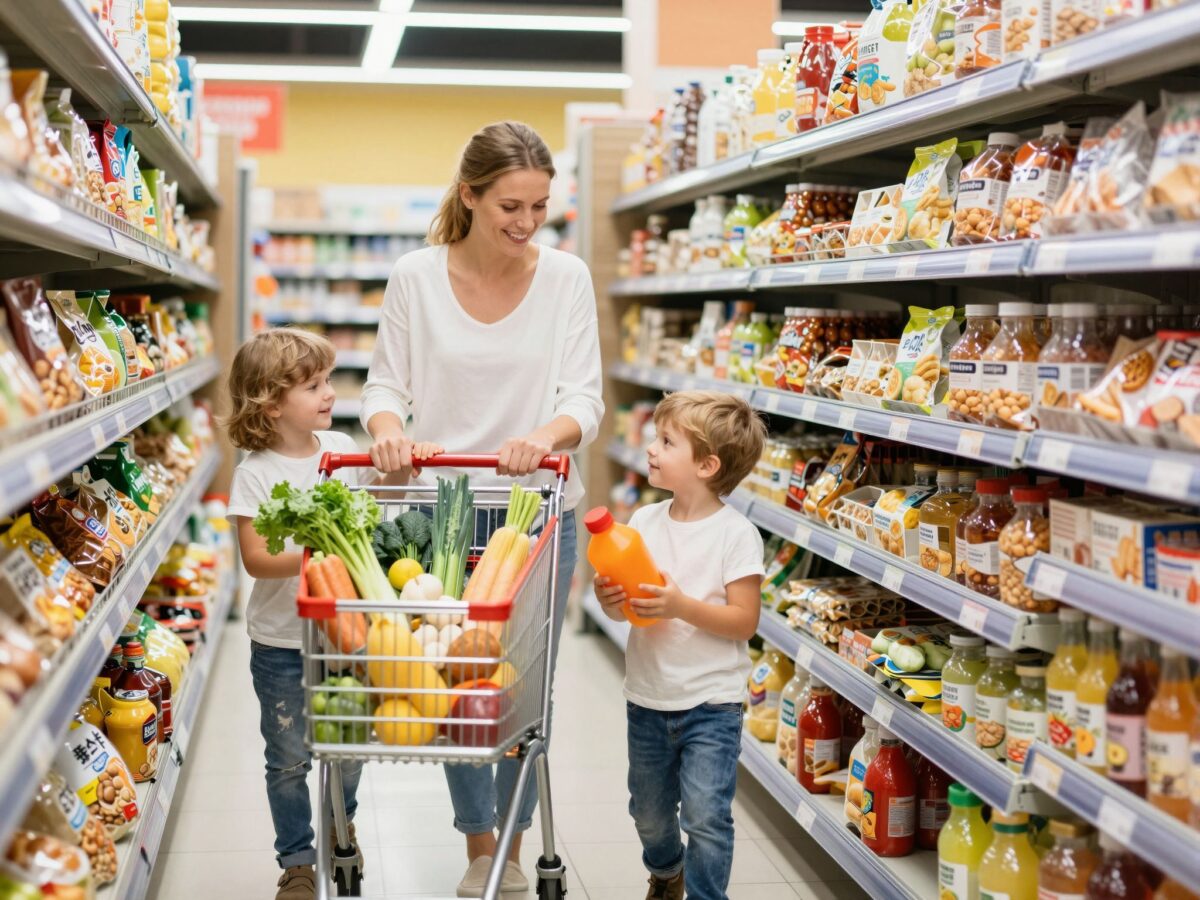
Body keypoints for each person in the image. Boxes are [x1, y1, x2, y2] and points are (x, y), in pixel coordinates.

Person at [360, 121, 604, 896]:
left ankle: (515, 846)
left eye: (539, 206)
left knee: (522, 689)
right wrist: (389, 431)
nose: (526, 223)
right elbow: (383, 385)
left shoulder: (566, 277)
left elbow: (584, 397)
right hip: (443, 515)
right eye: (509, 206)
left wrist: (544, 435)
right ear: (468, 195)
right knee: (449, 682)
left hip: (536, 513)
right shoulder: (415, 275)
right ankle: (479, 847)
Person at [225, 328, 438, 900]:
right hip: (281, 643)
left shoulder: (339, 449)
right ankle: (296, 859)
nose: (329, 394)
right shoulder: (256, 472)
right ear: (270, 403)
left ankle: (343, 827)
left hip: (347, 635)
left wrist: (399, 467)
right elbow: (257, 559)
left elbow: (383, 500)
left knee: (347, 745)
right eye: (313, 385)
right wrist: (328, 548)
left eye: (327, 381)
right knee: (289, 755)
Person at [594, 391, 767, 900]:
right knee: (646, 810)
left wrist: (679, 605)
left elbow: (744, 622)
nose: (651, 448)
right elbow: (625, 610)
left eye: (667, 441)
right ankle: (667, 871)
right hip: (648, 696)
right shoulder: (644, 523)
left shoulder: (736, 535)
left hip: (712, 703)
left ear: (707, 465)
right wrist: (610, 600)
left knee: (706, 816)